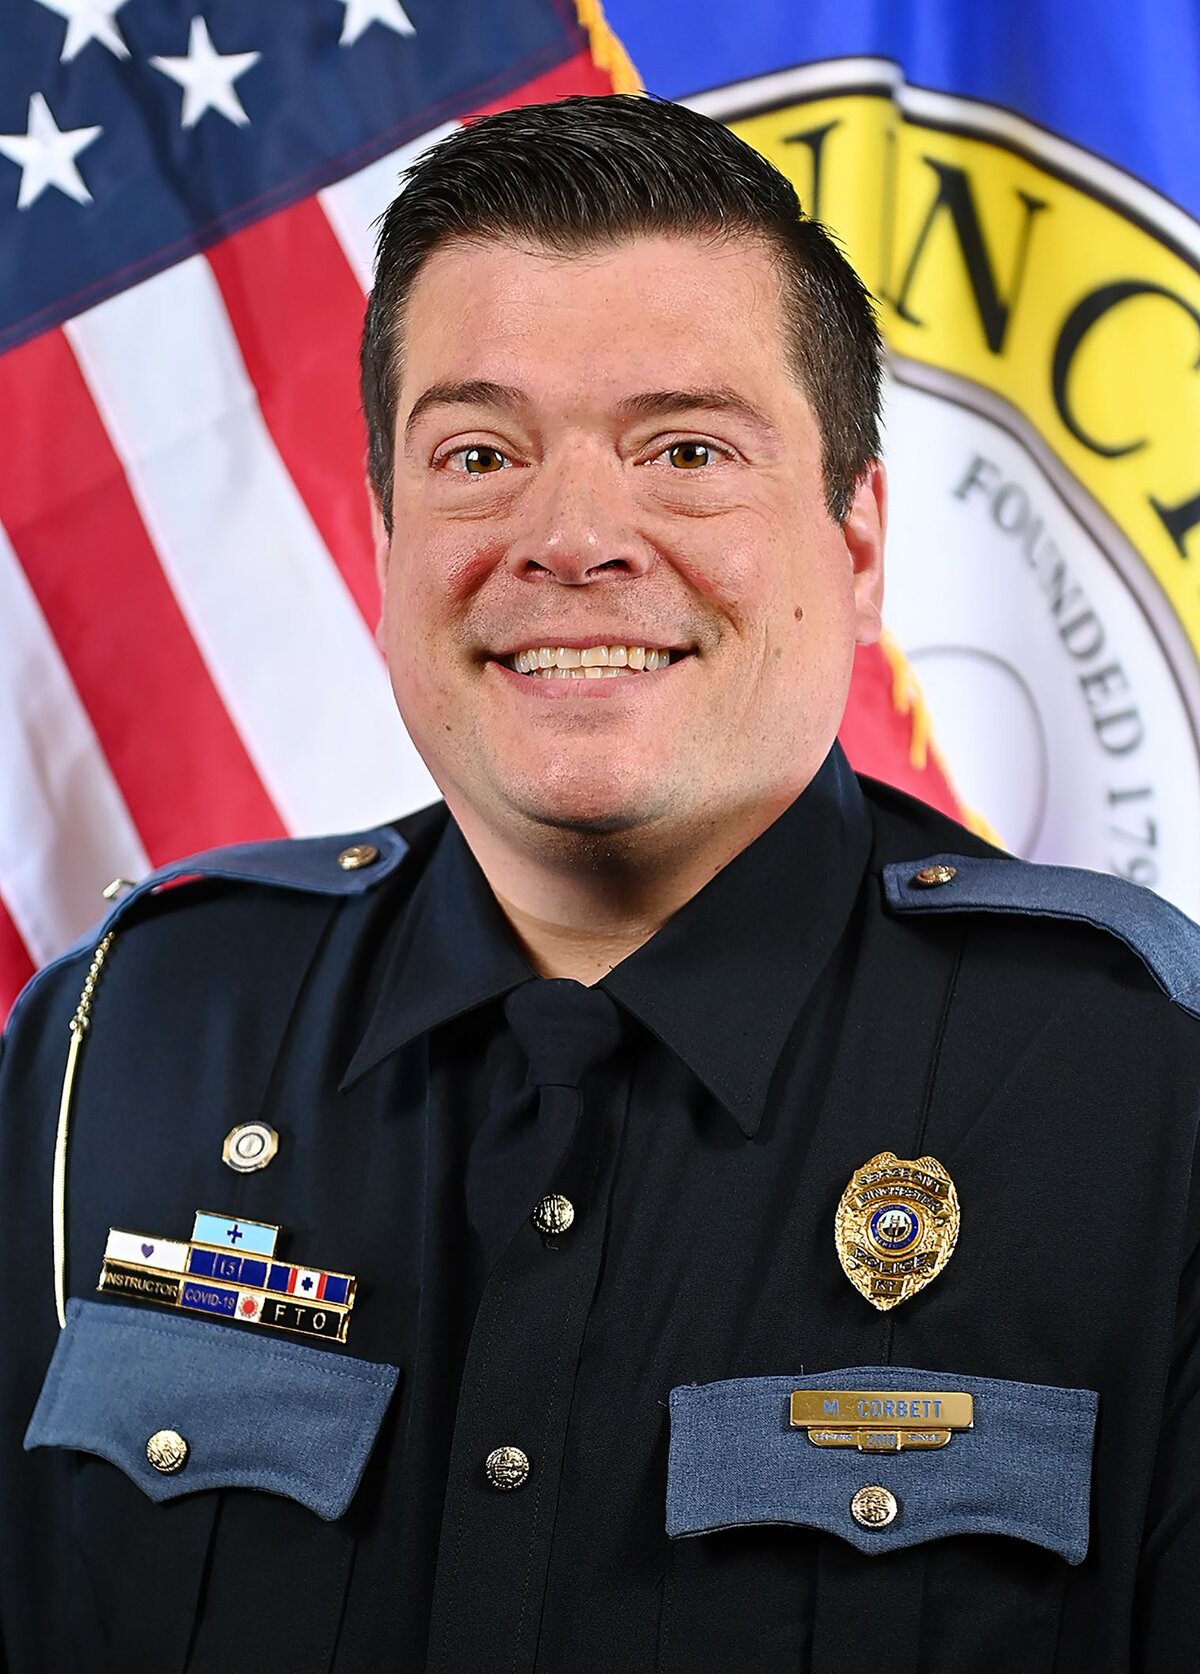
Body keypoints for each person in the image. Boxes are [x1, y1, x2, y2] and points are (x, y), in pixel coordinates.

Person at [1, 93, 1198, 1674]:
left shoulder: (1148, 1088)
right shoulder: (122, 1037)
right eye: (480, 454)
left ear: (856, 544)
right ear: (385, 539)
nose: (570, 538)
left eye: (686, 450)